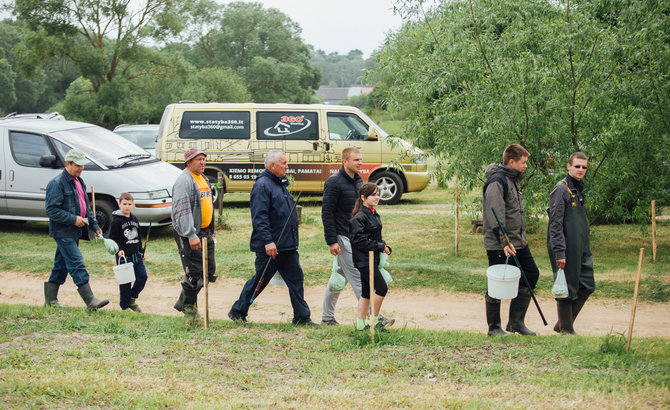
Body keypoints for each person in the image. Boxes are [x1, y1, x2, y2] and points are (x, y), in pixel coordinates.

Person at [228, 150, 315, 325]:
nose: (287, 166)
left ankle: (301, 317)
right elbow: (259, 217)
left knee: (296, 280)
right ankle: (238, 311)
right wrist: (268, 241)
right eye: (284, 163)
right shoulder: (262, 185)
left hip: (287, 246)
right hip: (271, 247)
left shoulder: (280, 184)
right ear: (272, 165)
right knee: (260, 280)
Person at [320, 147, 395, 327]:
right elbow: (327, 213)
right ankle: (374, 317)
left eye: (361, 159)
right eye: (356, 160)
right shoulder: (334, 182)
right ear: (344, 161)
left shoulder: (358, 181)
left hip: (354, 236)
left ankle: (327, 317)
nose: (360, 163)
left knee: (339, 277)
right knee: (359, 275)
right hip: (342, 237)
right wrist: (331, 241)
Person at [482, 143, 540, 336]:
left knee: (531, 274)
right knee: (497, 282)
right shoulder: (497, 182)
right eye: (523, 163)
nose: (525, 166)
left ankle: (516, 322)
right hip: (501, 242)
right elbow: (495, 214)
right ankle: (494, 327)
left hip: (518, 241)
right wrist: (504, 242)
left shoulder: (514, 179)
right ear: (512, 162)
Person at [43, 148, 109, 310]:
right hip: (62, 232)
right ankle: (90, 301)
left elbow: (85, 206)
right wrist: (73, 219)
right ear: (68, 164)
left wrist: (94, 226)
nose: (81, 168)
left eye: (82, 165)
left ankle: (50, 301)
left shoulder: (79, 181)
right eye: (78, 165)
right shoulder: (56, 184)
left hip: (74, 232)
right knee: (76, 262)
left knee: (61, 265)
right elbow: (51, 210)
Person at [547, 152, 594, 334]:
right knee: (566, 289)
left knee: (587, 284)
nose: (581, 170)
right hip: (565, 247)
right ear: (568, 166)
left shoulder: (578, 190)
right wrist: (560, 252)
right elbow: (555, 224)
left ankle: (562, 324)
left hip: (581, 246)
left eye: (584, 167)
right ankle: (567, 330)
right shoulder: (561, 189)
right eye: (577, 166)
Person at [172, 147, 217, 320]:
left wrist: (211, 230)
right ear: (188, 162)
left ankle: (183, 301)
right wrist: (191, 235)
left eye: (203, 159)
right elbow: (182, 211)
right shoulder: (185, 181)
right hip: (189, 233)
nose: (202, 162)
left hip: (205, 232)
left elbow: (207, 205)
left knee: (208, 270)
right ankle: (189, 311)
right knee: (194, 272)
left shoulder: (203, 178)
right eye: (198, 159)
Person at [350, 183, 392, 332]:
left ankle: (361, 326)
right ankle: (375, 322)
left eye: (378, 194)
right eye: (373, 195)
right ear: (363, 197)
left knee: (366, 292)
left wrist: (384, 246)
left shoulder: (373, 213)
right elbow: (359, 241)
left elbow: (375, 236)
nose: (377, 197)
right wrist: (379, 246)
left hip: (372, 258)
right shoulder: (359, 218)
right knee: (382, 288)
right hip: (364, 260)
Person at [109, 192, 148, 312]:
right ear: (119, 204)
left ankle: (132, 298)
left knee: (142, 277)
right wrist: (118, 250)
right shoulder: (116, 221)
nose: (127, 206)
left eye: (129, 204)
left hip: (136, 255)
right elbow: (113, 239)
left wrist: (141, 251)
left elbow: (139, 236)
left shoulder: (134, 218)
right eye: (124, 204)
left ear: (132, 205)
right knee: (125, 282)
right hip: (124, 256)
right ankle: (125, 306)